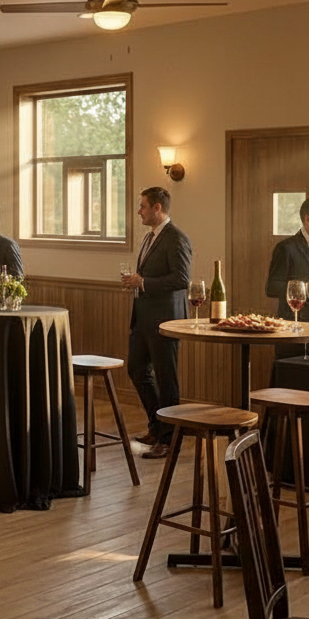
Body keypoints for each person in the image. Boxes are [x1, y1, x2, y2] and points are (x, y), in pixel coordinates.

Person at [121, 186, 192, 460]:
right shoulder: (150, 237)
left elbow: (182, 279)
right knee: (137, 369)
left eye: (142, 206)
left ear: (157, 209)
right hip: (143, 317)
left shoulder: (176, 238)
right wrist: (137, 281)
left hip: (165, 320)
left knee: (166, 378)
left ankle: (170, 439)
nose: (139, 211)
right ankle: (157, 425)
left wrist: (144, 282)